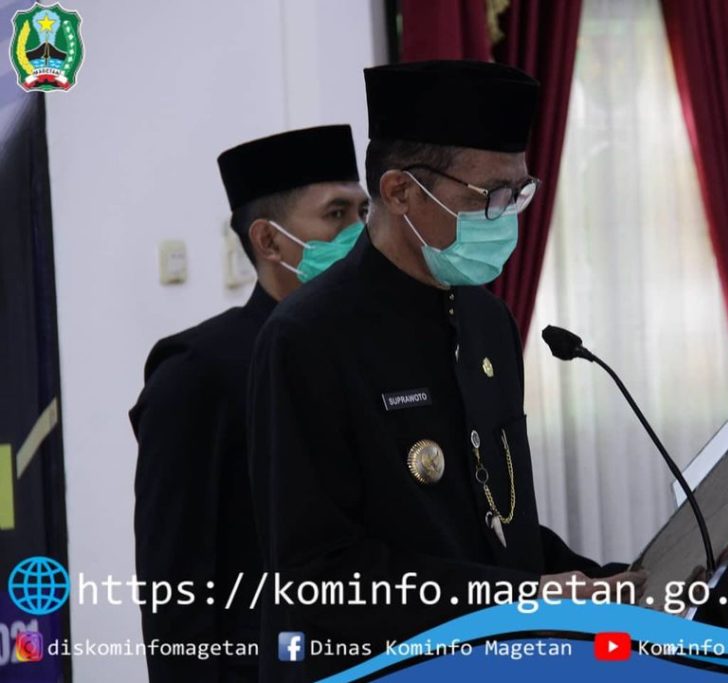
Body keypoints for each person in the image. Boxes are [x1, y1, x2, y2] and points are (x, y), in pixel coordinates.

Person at [248, 61, 640, 682]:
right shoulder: (308, 336)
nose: (506, 216)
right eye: (489, 196)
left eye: (519, 193)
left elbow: (496, 518)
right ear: (400, 192)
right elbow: (318, 574)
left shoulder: (488, 319)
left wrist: (607, 582)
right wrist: (518, 599)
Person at [130, 125, 368, 682]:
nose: (360, 233)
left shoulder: (374, 349)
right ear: (269, 241)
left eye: (364, 212)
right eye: (336, 214)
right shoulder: (199, 371)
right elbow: (176, 589)